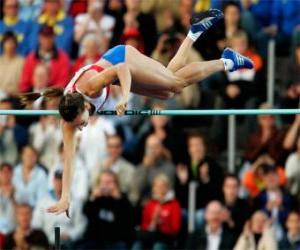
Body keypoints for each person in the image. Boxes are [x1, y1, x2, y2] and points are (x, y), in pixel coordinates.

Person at [20, 9, 254, 214]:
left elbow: (121, 69)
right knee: (169, 90)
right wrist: (65, 198)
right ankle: (194, 32)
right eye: (79, 125)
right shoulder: (68, 119)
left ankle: (226, 61)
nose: (81, 126)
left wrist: (123, 99)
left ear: (82, 106)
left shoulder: (90, 86)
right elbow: (68, 159)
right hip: (117, 74)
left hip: (122, 58)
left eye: (81, 121)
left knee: (172, 83)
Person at [133, 174, 181, 250]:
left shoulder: (174, 204)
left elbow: (175, 228)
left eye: (163, 186)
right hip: (150, 237)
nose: (160, 189)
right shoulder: (150, 204)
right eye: (157, 186)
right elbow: (144, 225)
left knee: (158, 247)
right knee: (137, 245)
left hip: (165, 239)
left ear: (167, 188)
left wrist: (161, 223)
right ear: (153, 188)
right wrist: (153, 222)